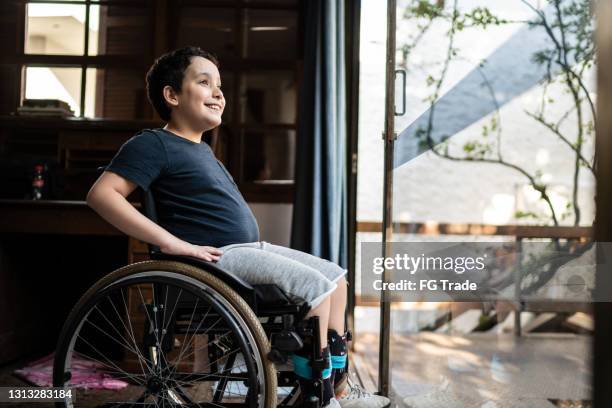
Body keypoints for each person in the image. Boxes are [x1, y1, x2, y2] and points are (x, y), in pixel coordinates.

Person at [87, 46, 389, 408]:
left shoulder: (202, 149)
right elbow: (102, 195)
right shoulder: (154, 144)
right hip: (215, 259)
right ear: (171, 95)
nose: (218, 93)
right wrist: (171, 242)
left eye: (220, 85)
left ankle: (338, 387)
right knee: (316, 289)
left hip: (245, 251)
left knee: (337, 280)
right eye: (204, 82)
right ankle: (318, 400)